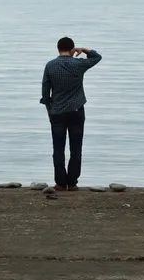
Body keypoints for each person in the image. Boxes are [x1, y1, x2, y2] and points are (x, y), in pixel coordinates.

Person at [40, 37, 102, 191]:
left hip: (57, 112)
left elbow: (45, 93)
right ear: (72, 48)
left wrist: (50, 111)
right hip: (76, 111)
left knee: (58, 149)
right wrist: (85, 50)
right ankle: (72, 183)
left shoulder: (50, 66)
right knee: (76, 149)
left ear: (57, 48)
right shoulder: (78, 64)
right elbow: (97, 57)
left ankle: (61, 183)